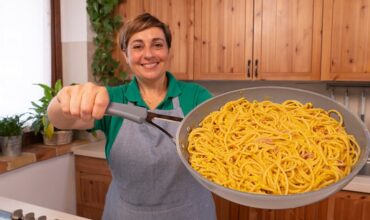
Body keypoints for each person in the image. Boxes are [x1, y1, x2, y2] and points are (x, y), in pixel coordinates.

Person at [47, 13, 216, 220]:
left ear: (168, 51)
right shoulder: (110, 100)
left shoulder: (196, 96)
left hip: (190, 212)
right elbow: (61, 119)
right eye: (137, 46)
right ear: (125, 54)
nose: (148, 54)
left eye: (157, 45)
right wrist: (63, 100)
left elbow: (226, 134)